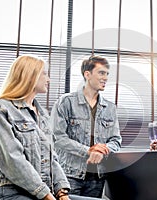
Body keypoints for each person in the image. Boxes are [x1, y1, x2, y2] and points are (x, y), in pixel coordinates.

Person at [0, 54, 71, 200]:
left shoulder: (43, 114)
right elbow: (13, 160)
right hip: (13, 193)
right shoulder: (1, 108)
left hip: (44, 193)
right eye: (44, 74)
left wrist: (61, 193)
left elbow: (52, 159)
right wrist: (46, 195)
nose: (48, 79)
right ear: (30, 76)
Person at [50, 55, 122, 198]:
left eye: (107, 74)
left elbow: (116, 140)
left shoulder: (110, 108)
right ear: (87, 74)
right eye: (101, 73)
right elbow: (57, 138)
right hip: (69, 175)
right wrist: (88, 151)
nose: (106, 78)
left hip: (97, 177)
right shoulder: (66, 102)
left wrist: (102, 151)